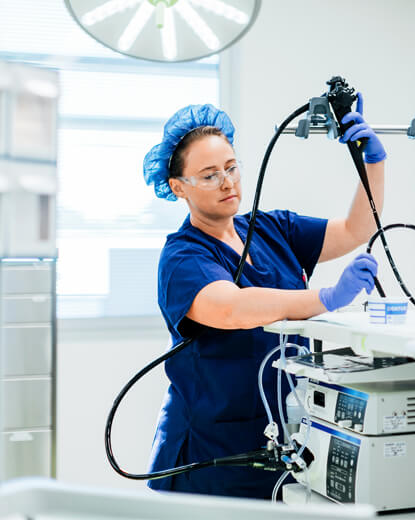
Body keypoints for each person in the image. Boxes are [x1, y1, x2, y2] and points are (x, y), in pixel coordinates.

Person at [141, 98, 386, 498]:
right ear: (178, 187)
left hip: (283, 440)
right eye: (208, 175)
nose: (227, 182)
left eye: (231, 168)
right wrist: (325, 297)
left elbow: (357, 229)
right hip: (209, 457)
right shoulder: (183, 257)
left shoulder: (272, 228)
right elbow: (232, 308)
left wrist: (371, 164)